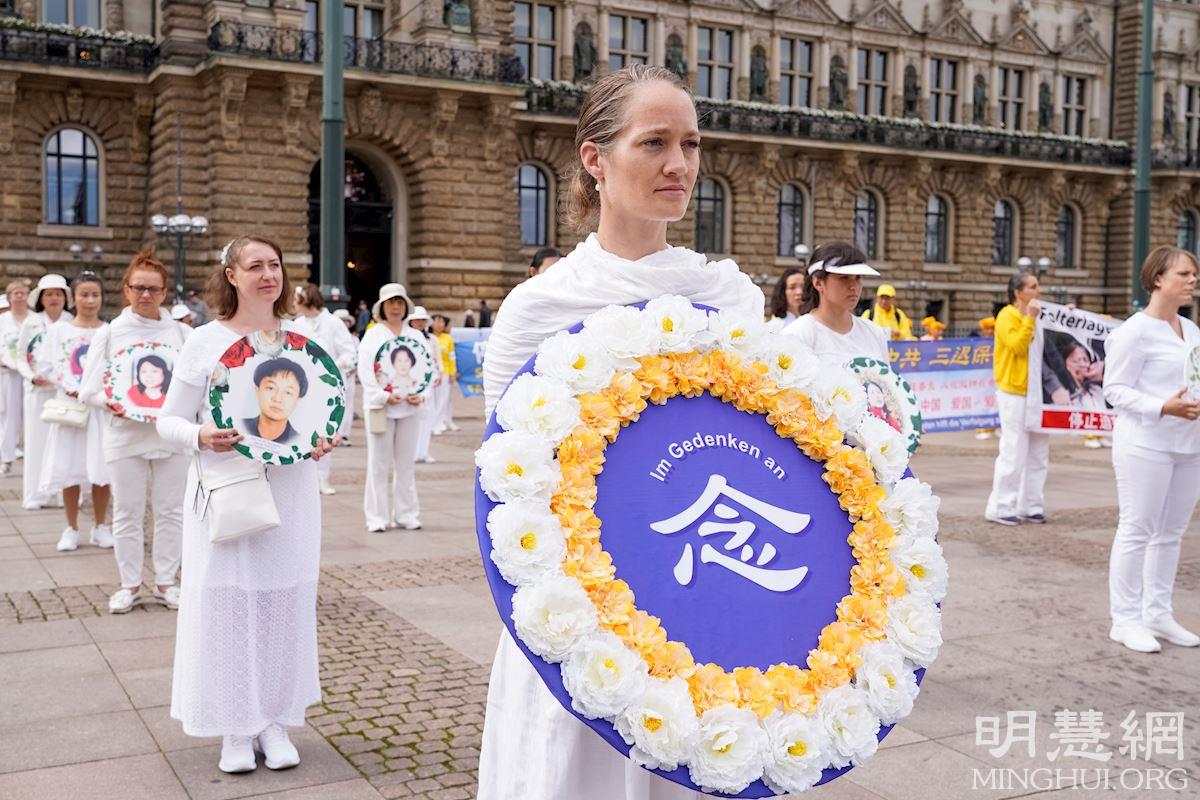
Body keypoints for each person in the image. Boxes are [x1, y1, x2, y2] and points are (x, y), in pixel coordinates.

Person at [478, 64, 764, 800]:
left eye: (691, 143)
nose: (680, 165)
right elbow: (507, 481)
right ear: (595, 159)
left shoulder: (730, 299)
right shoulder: (537, 309)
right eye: (654, 142)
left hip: (702, 591)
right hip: (583, 611)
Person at [156, 235, 335, 773]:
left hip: (291, 494)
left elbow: (321, 411)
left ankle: (274, 720)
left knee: (282, 604)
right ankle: (235, 726)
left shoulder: (301, 339)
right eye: (255, 266)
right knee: (227, 607)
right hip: (227, 492)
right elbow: (168, 421)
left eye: (274, 265)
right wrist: (200, 436)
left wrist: (322, 440)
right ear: (231, 275)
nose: (268, 275)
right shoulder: (204, 341)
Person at [78, 251, 190, 613]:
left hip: (170, 435)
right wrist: (112, 402)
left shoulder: (182, 333)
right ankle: (130, 584)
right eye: (139, 287)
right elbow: (88, 390)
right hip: (125, 434)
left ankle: (166, 581)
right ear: (126, 289)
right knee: (127, 512)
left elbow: (196, 386)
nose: (145, 295)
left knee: (171, 511)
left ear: (165, 292)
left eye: (153, 289)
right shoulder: (110, 333)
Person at [1103, 245, 1200, 653]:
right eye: (1184, 274)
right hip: (1145, 443)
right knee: (1137, 529)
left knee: (1171, 533)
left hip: (1189, 444)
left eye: (1194, 274)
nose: (1193, 280)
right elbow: (1114, 389)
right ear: (1158, 278)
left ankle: (1158, 613)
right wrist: (1162, 406)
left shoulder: (1191, 330)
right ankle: (1125, 620)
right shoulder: (1133, 332)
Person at [40, 272, 112, 552]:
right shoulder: (60, 330)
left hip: (98, 410)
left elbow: (115, 368)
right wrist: (69, 386)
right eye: (84, 295)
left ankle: (101, 526)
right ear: (74, 298)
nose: (90, 300)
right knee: (69, 467)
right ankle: (71, 527)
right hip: (69, 408)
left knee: (101, 468)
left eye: (95, 295)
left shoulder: (109, 331)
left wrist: (96, 391)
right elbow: (46, 365)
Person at [984, 270, 1048, 527]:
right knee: (1014, 450)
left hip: (1037, 392)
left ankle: (1031, 504)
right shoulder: (1007, 315)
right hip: (1014, 391)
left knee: (1038, 452)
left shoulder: (1037, 315)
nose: (1038, 290)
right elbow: (1018, 346)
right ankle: (1001, 505)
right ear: (1018, 293)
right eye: (1032, 286)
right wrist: (1030, 319)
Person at [358, 284, 424, 532]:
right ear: (382, 307)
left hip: (409, 408)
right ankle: (377, 517)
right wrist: (384, 396)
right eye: (391, 302)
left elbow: (426, 370)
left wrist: (420, 394)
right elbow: (366, 372)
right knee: (378, 464)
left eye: (399, 302)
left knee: (405, 464)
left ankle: (406, 514)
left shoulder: (416, 335)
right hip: (381, 409)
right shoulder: (373, 335)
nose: (395, 307)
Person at [293, 282, 358, 489]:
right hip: (303, 386)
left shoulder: (333, 323)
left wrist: (331, 367)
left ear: (306, 299)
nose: (293, 303)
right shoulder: (297, 324)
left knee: (325, 432)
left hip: (329, 387)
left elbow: (349, 353)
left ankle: (323, 477)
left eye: (296, 299)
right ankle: (304, 478)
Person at [781, 241, 888, 366]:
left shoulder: (874, 333)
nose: (854, 286)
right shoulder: (797, 335)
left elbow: (886, 377)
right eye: (844, 278)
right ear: (818, 283)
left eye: (858, 277)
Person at [17, 274, 73, 509]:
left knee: (63, 443)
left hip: (62, 392)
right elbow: (20, 356)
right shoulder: (31, 322)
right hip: (36, 391)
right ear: (41, 298)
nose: (54, 298)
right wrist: (31, 376)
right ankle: (35, 495)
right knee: (36, 443)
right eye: (49, 294)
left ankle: (63, 494)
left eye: (58, 294)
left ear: (66, 298)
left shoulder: (72, 322)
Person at [0, 279, 31, 475]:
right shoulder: (2, 320)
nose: (19, 296)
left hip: (31, 375)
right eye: (15, 293)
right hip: (9, 373)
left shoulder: (35, 319)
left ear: (28, 295)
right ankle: (7, 458)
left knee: (32, 417)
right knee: (9, 416)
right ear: (9, 297)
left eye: (22, 293)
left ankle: (34, 457)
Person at [243, 358, 306, 443]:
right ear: (257, 390)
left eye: (288, 393)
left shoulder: (300, 444)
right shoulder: (236, 428)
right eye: (271, 388)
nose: (277, 399)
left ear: (298, 400)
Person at [408, 306, 441, 464]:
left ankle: (424, 451)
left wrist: (438, 374)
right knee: (413, 419)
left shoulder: (431, 339)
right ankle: (413, 452)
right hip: (412, 382)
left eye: (422, 320)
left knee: (428, 417)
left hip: (428, 382)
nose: (420, 323)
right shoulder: (407, 338)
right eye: (417, 320)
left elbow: (436, 359)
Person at [431, 314, 460, 434]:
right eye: (437, 322)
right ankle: (433, 423)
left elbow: (452, 357)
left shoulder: (447, 339)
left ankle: (440, 423)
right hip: (432, 373)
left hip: (445, 372)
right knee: (433, 400)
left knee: (443, 399)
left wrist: (452, 372)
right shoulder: (429, 337)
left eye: (442, 322)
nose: (440, 324)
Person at [974, 316, 998, 440]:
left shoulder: (998, 342)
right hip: (982, 379)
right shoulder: (979, 343)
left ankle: (994, 427)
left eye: (992, 329)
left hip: (995, 377)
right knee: (982, 403)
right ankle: (982, 428)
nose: (990, 331)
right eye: (987, 329)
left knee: (995, 402)